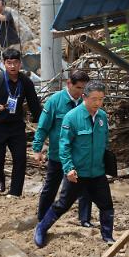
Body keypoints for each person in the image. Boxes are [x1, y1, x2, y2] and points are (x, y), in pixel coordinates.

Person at [34, 81, 115, 247]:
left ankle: (107, 236)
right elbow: (64, 146)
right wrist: (69, 168)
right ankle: (41, 228)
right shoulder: (72, 117)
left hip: (97, 172)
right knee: (63, 205)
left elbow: (104, 142)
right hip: (77, 173)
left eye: (101, 99)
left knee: (106, 205)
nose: (98, 103)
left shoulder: (102, 117)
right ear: (84, 97)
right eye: (94, 99)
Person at [33, 70, 93, 227]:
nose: (81, 92)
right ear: (69, 84)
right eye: (79, 88)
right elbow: (43, 127)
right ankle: (42, 217)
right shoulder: (55, 101)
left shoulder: (87, 103)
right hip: (58, 154)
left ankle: (85, 219)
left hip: (80, 155)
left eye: (85, 89)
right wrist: (37, 149)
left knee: (85, 187)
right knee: (51, 187)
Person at [0, 48, 41, 197]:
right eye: (9, 63)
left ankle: (16, 191)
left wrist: (42, 125)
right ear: (4, 63)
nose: (12, 66)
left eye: (15, 63)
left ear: (20, 64)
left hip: (17, 126)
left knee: (20, 159)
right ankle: (0, 179)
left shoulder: (25, 82)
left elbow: (34, 104)